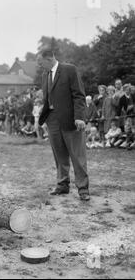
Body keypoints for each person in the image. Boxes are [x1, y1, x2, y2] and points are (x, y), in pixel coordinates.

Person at [37, 49, 90, 201]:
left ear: (50, 58)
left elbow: (79, 95)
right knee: (59, 155)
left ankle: (83, 189)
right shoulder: (44, 75)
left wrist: (79, 117)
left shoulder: (69, 70)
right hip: (52, 121)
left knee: (77, 156)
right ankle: (62, 185)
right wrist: (45, 119)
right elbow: (48, 99)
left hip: (71, 120)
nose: (41, 67)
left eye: (41, 63)